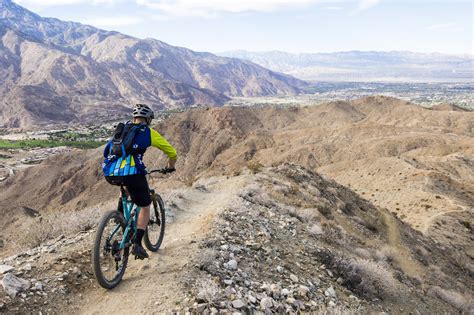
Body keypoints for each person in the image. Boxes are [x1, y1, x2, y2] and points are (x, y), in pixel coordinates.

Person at [102, 104, 177, 259]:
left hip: (110, 173)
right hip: (134, 173)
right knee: (144, 205)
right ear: (148, 119)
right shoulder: (148, 132)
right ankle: (137, 243)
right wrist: (170, 166)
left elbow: (106, 152)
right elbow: (172, 152)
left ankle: (120, 220)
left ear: (134, 118)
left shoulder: (121, 130)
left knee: (125, 188)